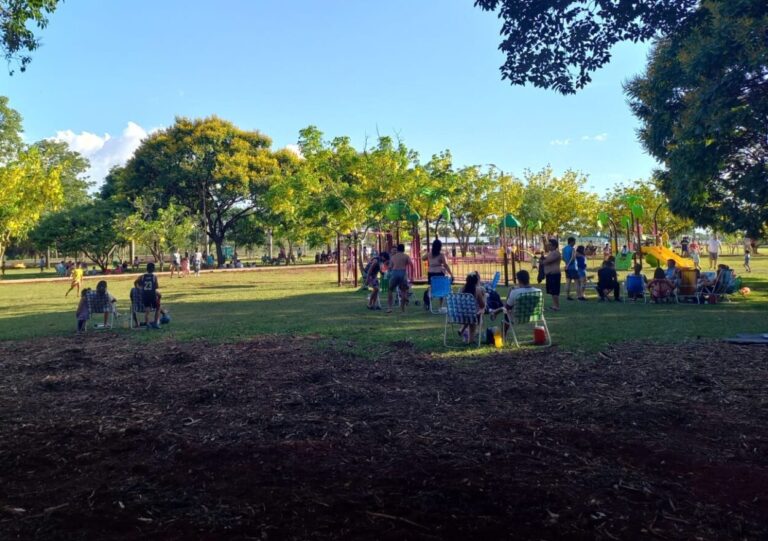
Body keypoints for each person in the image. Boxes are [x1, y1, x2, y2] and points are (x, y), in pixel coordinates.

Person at [493, 270, 537, 335]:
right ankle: (495, 312)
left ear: (519, 280)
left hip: (517, 317)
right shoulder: (538, 291)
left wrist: (510, 291)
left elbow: (507, 307)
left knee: (506, 312)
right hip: (534, 316)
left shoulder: (515, 292)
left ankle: (503, 337)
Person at [422, 239, 454, 311]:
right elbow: (445, 265)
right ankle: (440, 306)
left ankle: (427, 301)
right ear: (440, 247)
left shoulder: (429, 254)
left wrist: (429, 258)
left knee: (432, 288)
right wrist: (451, 274)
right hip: (440, 272)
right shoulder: (441, 255)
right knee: (441, 289)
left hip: (431, 273)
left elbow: (422, 258)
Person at [458, 271, 486, 343]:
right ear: (476, 281)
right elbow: (482, 305)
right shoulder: (477, 290)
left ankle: (463, 329)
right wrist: (485, 298)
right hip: (472, 315)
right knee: (480, 311)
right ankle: (471, 340)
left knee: (471, 313)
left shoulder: (461, 289)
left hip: (460, 315)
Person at [387, 244, 412, 313]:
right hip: (403, 273)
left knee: (390, 290)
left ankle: (389, 308)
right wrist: (411, 275)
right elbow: (411, 264)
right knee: (403, 291)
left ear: (397, 249)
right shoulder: (406, 256)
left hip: (395, 273)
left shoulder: (393, 257)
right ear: (403, 249)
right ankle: (402, 309)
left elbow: (390, 267)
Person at [135, 262, 161, 329]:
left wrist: (139, 288)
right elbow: (156, 286)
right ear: (153, 269)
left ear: (147, 268)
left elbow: (135, 282)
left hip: (145, 295)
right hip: (152, 295)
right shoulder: (154, 277)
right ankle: (155, 323)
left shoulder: (142, 276)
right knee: (158, 308)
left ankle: (147, 324)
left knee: (147, 310)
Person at [541, 239, 562, 311]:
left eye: (550, 245)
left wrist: (542, 261)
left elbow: (546, 261)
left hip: (554, 274)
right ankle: (554, 305)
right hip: (550, 274)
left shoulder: (556, 253)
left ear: (554, 245)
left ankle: (557, 306)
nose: (548, 246)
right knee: (552, 291)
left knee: (555, 291)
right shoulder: (551, 253)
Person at [562, 237, 578, 301]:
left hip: (567, 268)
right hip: (573, 267)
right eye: (574, 241)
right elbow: (573, 258)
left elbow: (562, 257)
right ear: (571, 242)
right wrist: (569, 264)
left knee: (568, 282)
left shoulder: (564, 249)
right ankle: (579, 296)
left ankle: (567, 296)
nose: (575, 243)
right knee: (577, 282)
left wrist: (566, 263)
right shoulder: (573, 249)